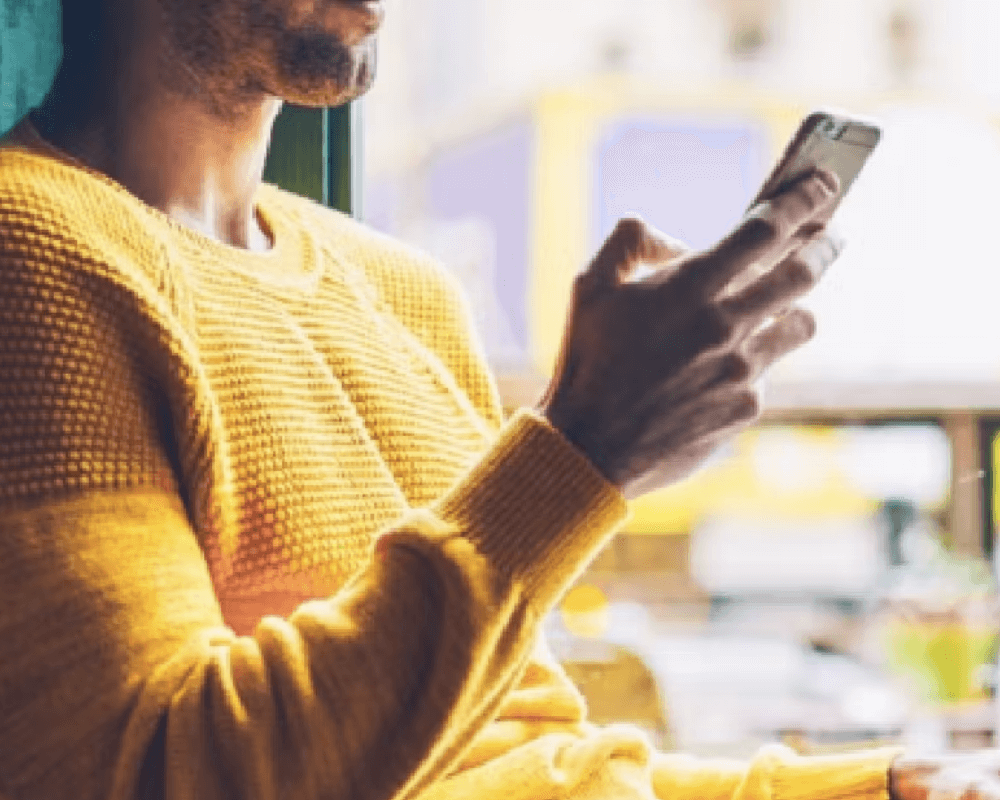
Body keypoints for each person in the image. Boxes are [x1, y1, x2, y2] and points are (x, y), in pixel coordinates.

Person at [0, 0, 996, 798]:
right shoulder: (33, 244)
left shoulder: (402, 290)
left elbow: (520, 767)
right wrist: (579, 454)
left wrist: (881, 783)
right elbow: (150, 771)